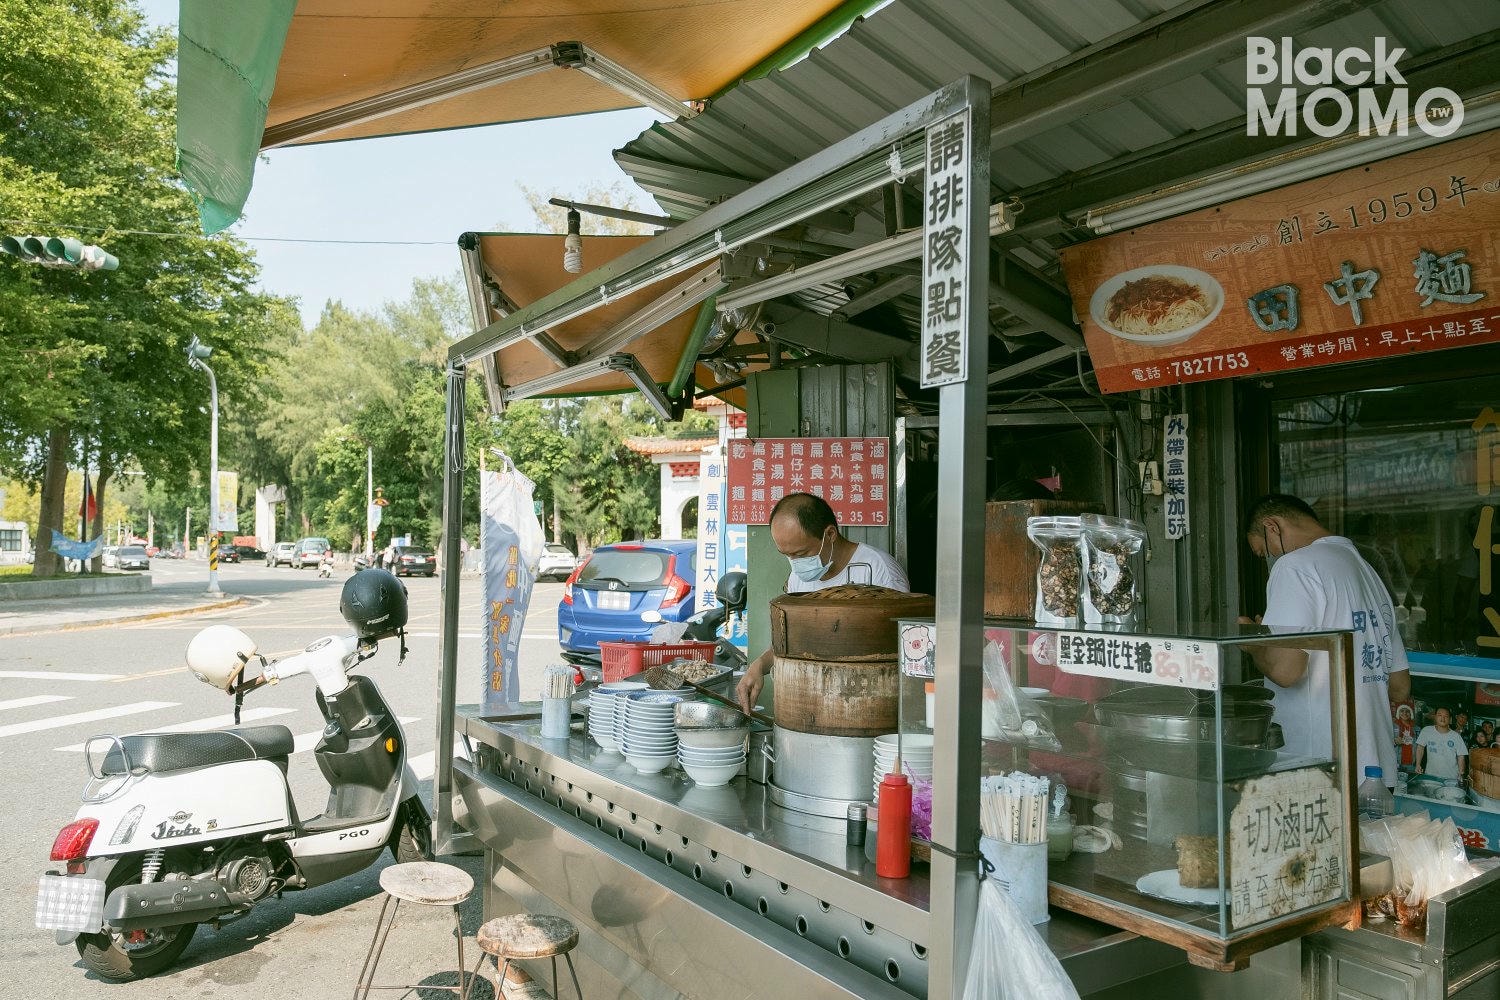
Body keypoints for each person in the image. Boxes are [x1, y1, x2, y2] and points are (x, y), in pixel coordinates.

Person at [1241, 494, 1411, 788]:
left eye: (1263, 552)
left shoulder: (1294, 566)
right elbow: (1400, 687)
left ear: (1272, 527)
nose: (1269, 560)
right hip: (1377, 773)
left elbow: (1286, 670)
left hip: (1320, 771)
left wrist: (1253, 643)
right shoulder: (1367, 572)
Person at [735, 492, 910, 714]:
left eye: (801, 553)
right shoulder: (797, 578)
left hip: (870, 702)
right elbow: (791, 640)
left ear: (830, 534)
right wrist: (760, 665)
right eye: (787, 555)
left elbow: (904, 646)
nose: (795, 563)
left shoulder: (879, 570)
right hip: (816, 703)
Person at [1415, 707, 1468, 781]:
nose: (1443, 718)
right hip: (1431, 776)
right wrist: (1418, 764)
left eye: (1446, 716)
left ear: (1450, 719)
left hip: (1451, 778)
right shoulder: (1426, 731)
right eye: (1440, 715)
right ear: (1435, 717)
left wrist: (1461, 773)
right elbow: (1420, 748)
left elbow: (1461, 756)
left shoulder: (1456, 736)